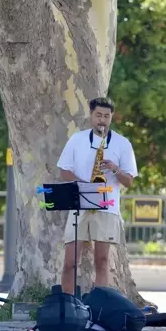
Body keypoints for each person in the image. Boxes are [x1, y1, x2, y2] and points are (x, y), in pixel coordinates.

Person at [56, 97, 138, 295]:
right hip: (79, 204)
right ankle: (68, 306)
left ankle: (100, 308)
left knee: (102, 261)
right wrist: (86, 186)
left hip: (107, 207)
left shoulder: (122, 143)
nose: (102, 120)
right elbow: (64, 170)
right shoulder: (77, 139)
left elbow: (129, 181)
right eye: (98, 115)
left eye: (106, 116)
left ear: (112, 118)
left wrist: (115, 169)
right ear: (91, 116)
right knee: (70, 262)